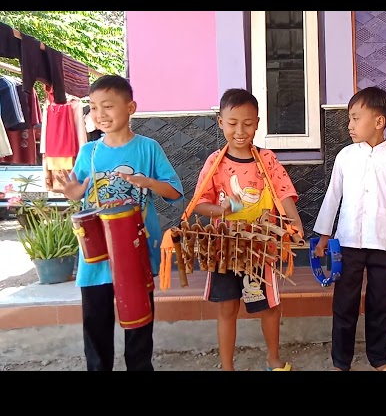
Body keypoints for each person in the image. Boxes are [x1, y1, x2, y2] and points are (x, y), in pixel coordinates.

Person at [58, 75, 184, 371]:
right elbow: (78, 192)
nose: (100, 114)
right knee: (96, 324)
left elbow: (175, 192)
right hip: (96, 258)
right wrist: (73, 192)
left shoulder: (148, 148)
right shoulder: (89, 152)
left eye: (108, 106)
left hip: (136, 252)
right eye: (94, 107)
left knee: (139, 324)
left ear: (131, 108)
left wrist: (148, 182)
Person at [193, 88, 304, 371]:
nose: (240, 130)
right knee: (227, 307)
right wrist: (222, 211)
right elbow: (199, 204)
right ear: (220, 122)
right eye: (232, 123)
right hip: (224, 247)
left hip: (260, 246)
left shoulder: (266, 159)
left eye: (247, 123)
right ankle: (227, 366)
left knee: (268, 305)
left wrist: (295, 223)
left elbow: (283, 193)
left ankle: (273, 359)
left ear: (257, 122)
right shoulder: (214, 162)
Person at [313, 86, 386, 371]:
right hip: (347, 242)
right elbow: (332, 197)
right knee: (344, 303)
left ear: (379, 121)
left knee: (381, 303)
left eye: (356, 118)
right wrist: (323, 237)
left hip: (384, 243)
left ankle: (381, 359)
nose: (350, 125)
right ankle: (340, 361)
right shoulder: (346, 156)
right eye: (350, 118)